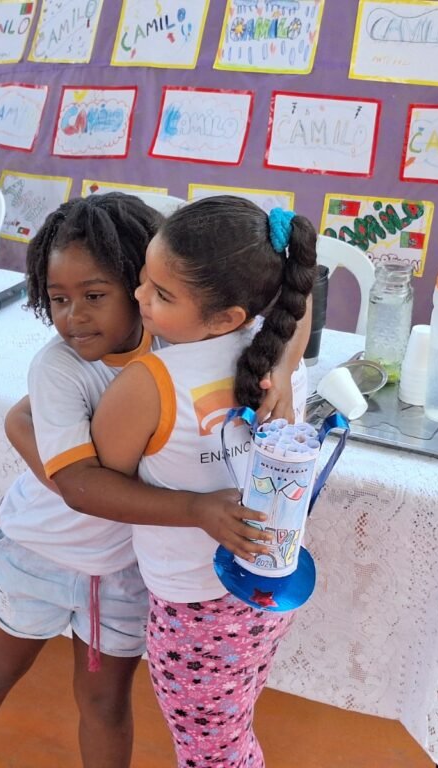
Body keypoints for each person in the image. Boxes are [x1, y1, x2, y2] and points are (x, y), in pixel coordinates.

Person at [0, 194, 277, 768]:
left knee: (106, 702)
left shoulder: (178, 340)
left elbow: (287, 301)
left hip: (121, 571)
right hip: (37, 553)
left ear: (144, 285)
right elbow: (81, 487)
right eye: (58, 299)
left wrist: (281, 364)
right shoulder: (59, 366)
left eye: (94, 297)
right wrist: (197, 509)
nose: (73, 317)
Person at [90, 196, 317, 767]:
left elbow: (99, 484)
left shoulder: (150, 382)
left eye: (162, 295)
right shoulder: (280, 355)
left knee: (211, 753)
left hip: (193, 609)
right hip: (267, 589)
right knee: (229, 731)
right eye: (144, 278)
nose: (139, 297)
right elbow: (301, 299)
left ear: (227, 317)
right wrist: (288, 365)